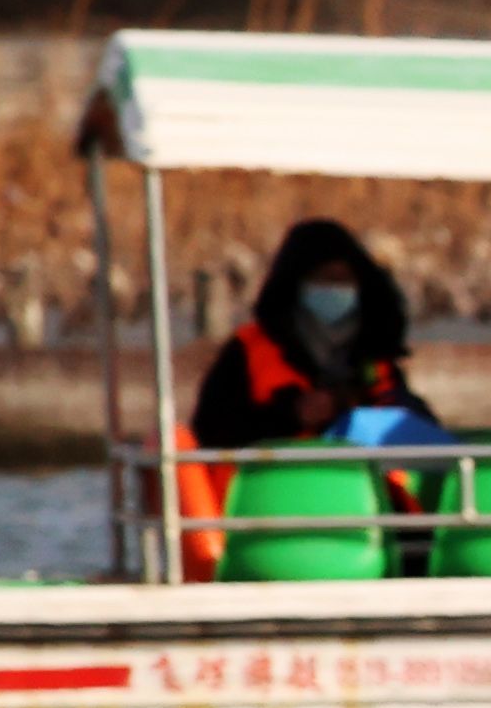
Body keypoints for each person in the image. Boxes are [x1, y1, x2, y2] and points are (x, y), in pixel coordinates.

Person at [178, 219, 447, 579]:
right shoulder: (247, 352)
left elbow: (420, 427)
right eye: (323, 279)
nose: (334, 291)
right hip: (267, 520)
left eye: (343, 280)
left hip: (370, 522)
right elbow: (212, 430)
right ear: (296, 283)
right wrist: (291, 415)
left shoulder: (375, 356)